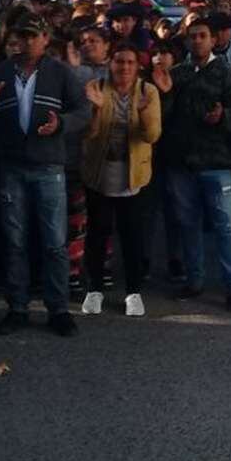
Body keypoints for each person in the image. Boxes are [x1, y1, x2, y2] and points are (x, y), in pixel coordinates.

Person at [0, 13, 88, 336]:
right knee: (15, 242)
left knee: (54, 243)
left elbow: (83, 111)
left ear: (44, 40)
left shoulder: (60, 73)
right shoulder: (0, 71)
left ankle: (58, 309)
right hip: (11, 165)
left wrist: (61, 125)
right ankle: (17, 307)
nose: (26, 42)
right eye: (21, 36)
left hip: (49, 167)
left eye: (33, 36)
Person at [151, 18, 231, 314]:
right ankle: (194, 281)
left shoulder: (224, 73)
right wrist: (165, 93)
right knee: (188, 224)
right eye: (192, 36)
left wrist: (223, 117)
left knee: (226, 227)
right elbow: (164, 118)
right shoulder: (176, 74)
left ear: (212, 40)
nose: (197, 41)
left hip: (217, 162)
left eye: (202, 36)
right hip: (182, 163)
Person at [80, 41, 161, 318]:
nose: (124, 67)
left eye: (129, 62)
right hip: (100, 173)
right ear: (110, 64)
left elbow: (152, 136)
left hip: (134, 176)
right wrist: (94, 110)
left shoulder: (147, 91)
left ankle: (133, 292)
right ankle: (94, 290)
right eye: (119, 61)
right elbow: (87, 135)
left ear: (137, 66)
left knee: (132, 236)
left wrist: (141, 112)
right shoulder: (96, 88)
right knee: (98, 235)